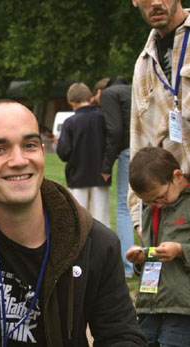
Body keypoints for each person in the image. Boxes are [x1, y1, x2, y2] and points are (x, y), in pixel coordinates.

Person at [0, 100, 145, 346]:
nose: (19, 160)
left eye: (30, 145)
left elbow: (122, 336)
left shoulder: (93, 242)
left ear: (42, 154)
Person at [129, 0, 190, 231]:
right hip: (171, 211)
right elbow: (139, 142)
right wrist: (139, 219)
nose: (155, 2)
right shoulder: (143, 65)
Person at [126, 147, 190, 346]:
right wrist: (140, 259)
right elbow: (151, 249)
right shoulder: (150, 209)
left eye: (160, 197)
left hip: (181, 307)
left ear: (177, 176)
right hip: (149, 304)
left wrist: (181, 250)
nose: (157, 204)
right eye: (150, 201)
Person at [93, 76, 135, 278]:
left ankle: (128, 266)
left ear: (101, 91)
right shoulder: (134, 89)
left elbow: (115, 129)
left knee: (123, 206)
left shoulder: (109, 95)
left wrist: (107, 165)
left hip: (128, 151)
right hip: (149, 148)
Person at [57, 83, 110, 227]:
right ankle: (103, 248)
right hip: (101, 175)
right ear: (90, 97)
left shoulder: (70, 123)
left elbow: (64, 152)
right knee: (101, 219)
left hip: (78, 175)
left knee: (79, 220)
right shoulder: (104, 117)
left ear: (71, 102)